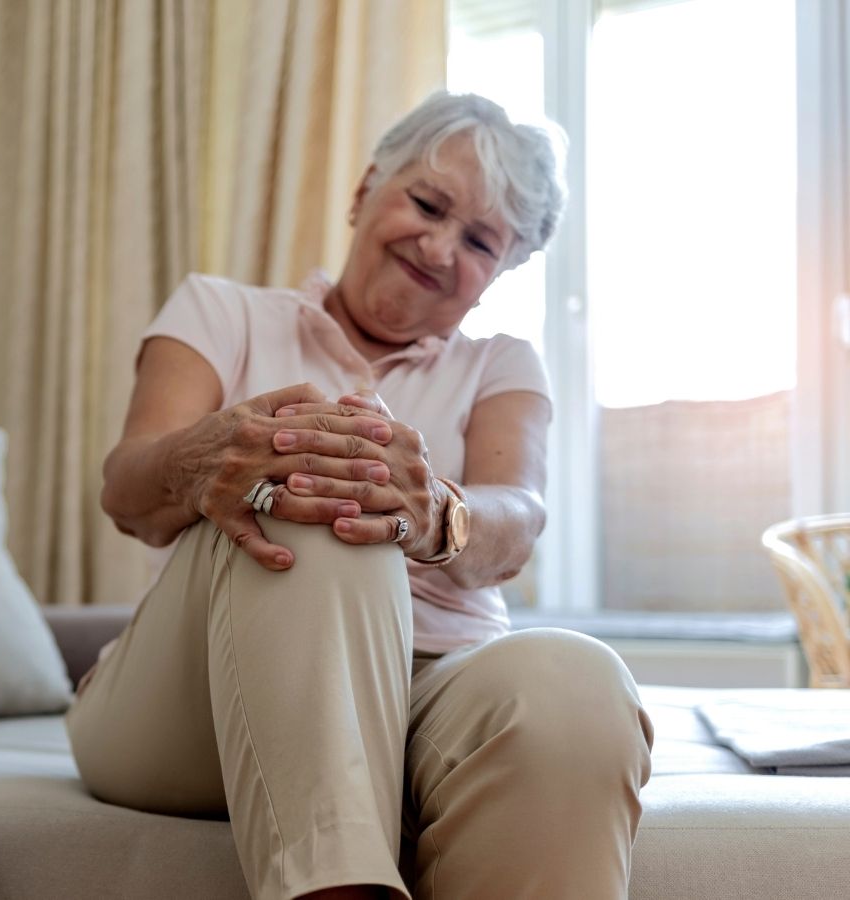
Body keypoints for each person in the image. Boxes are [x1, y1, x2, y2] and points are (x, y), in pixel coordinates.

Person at [66, 92, 653, 900]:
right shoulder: (220, 311)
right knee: (315, 498)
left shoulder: (501, 365)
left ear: (500, 274)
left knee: (574, 682)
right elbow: (125, 493)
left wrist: (434, 512)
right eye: (427, 203)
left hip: (432, 684)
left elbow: (518, 519)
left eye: (480, 241)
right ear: (364, 190)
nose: (440, 246)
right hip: (198, 697)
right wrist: (216, 456)